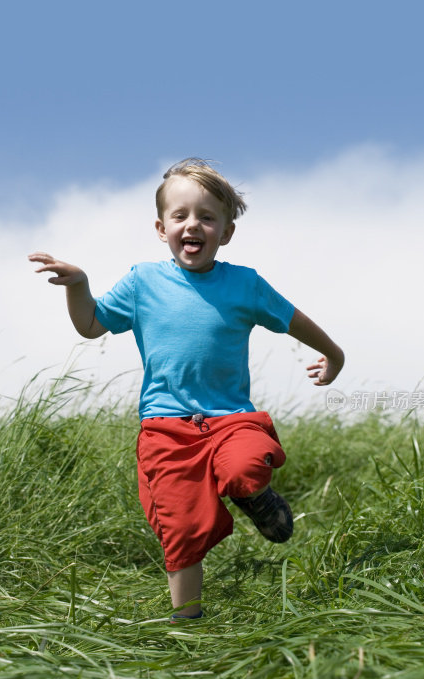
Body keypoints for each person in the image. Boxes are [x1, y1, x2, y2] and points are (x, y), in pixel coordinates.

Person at [29, 158, 344, 622]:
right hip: (166, 428)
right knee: (181, 526)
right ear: (162, 228)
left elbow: (294, 320)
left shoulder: (244, 284)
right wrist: (79, 285)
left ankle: (254, 497)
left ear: (226, 232)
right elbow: (91, 324)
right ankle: (188, 625)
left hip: (231, 418)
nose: (192, 225)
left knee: (244, 465)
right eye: (180, 216)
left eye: (207, 217)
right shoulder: (142, 282)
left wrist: (335, 356)